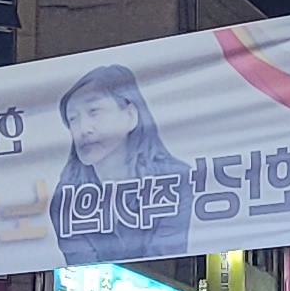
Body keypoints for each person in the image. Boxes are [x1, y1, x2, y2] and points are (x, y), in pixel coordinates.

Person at [51, 63, 192, 266]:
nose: (83, 129)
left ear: (130, 115)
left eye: (94, 111)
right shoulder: (65, 198)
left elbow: (165, 262)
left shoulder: (176, 180)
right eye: (73, 119)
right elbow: (84, 268)